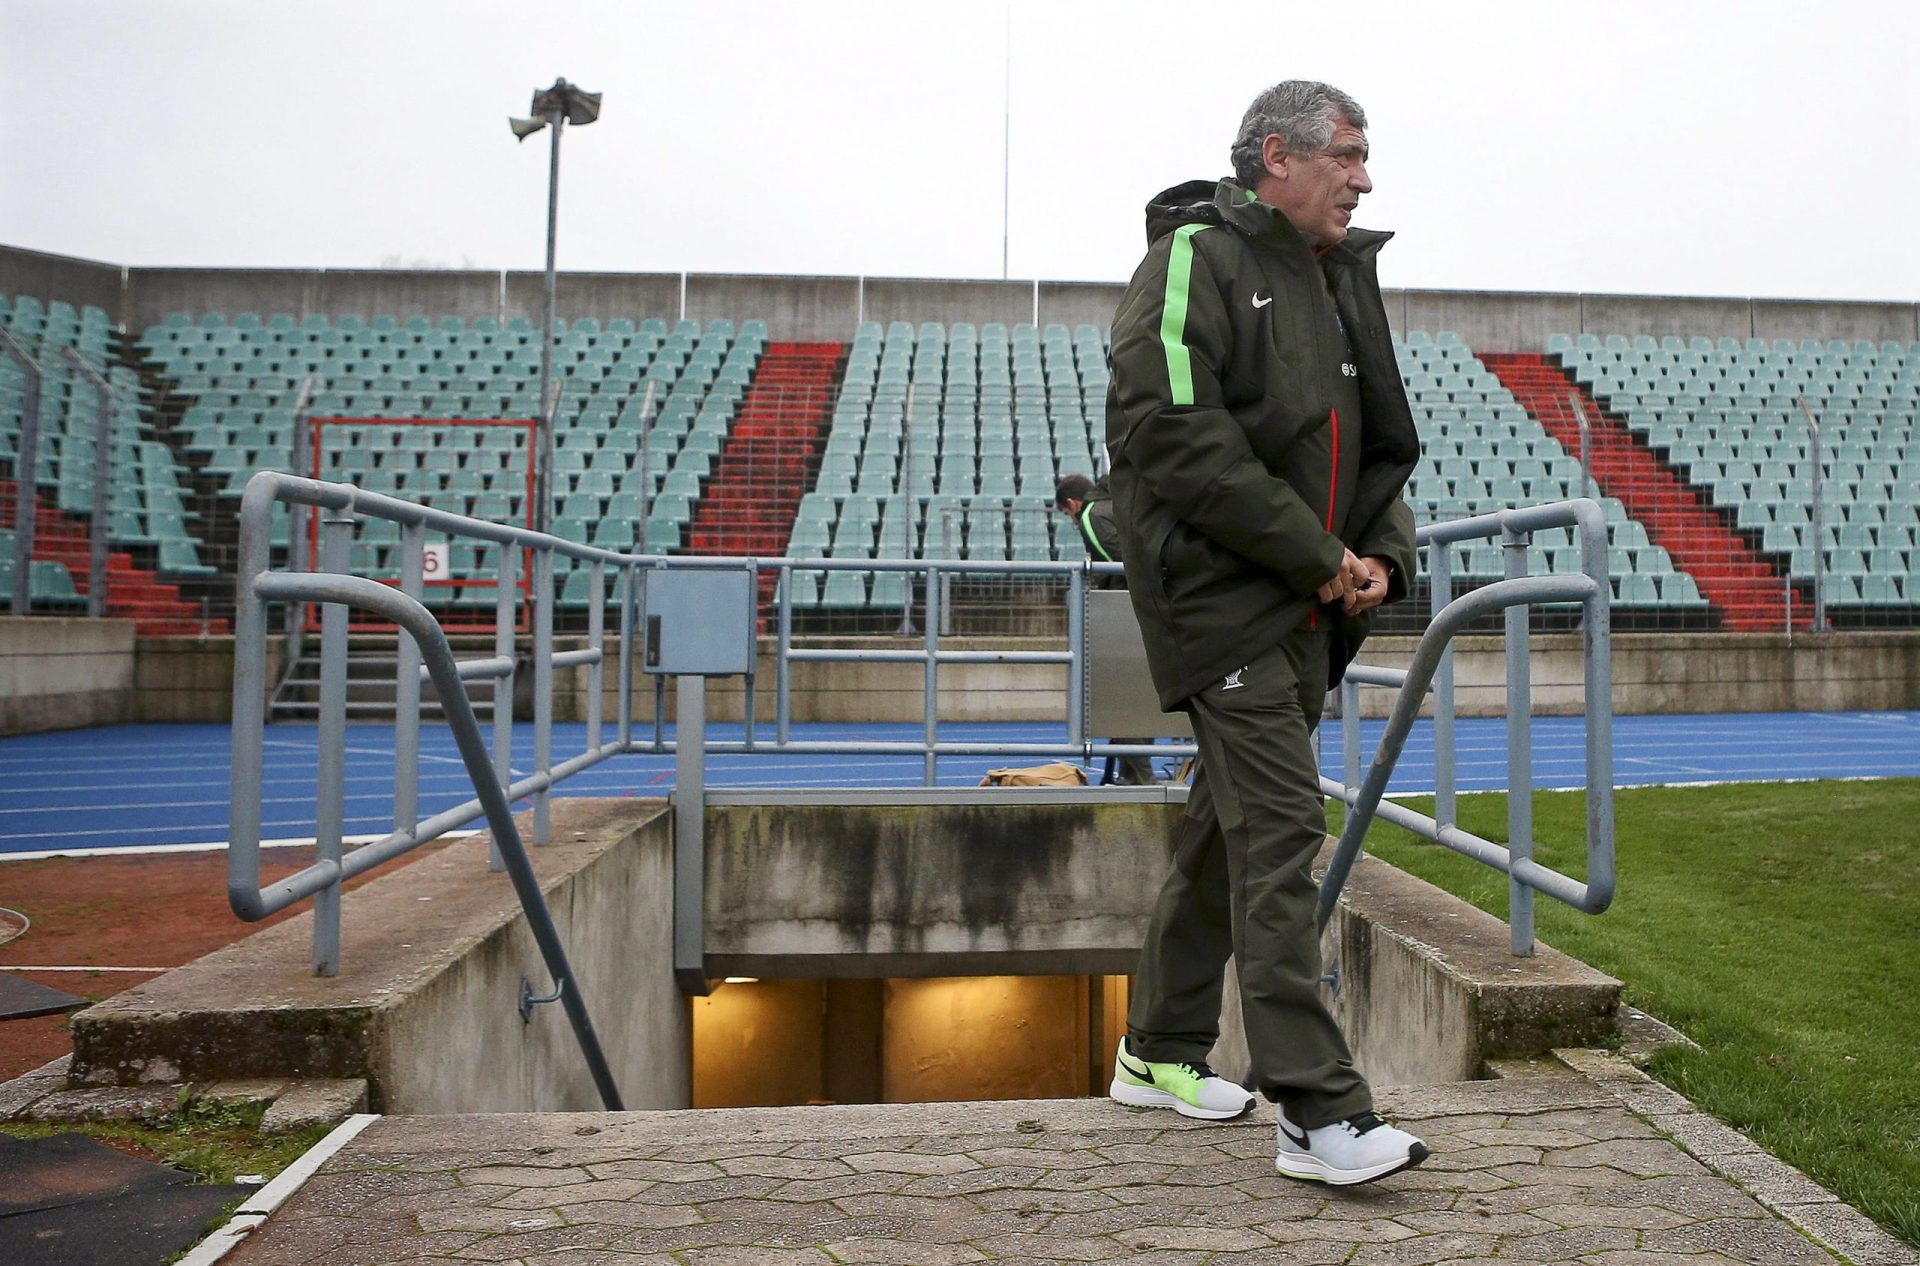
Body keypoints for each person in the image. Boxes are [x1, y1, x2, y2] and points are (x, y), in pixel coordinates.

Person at [1102, 80, 1426, 1186]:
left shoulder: (1338, 277)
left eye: (1366, 157)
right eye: (1347, 153)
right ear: (1275, 157)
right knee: (1283, 837)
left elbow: (1384, 447)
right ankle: (1319, 1111)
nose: (1364, 177)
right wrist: (1314, 554)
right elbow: (1170, 434)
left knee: (1220, 837)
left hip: (1306, 611)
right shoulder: (1197, 254)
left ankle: (1155, 1051)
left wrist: (1382, 553)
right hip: (1225, 603)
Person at [1054, 472, 1155, 786]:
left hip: (1128, 616)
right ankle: (1133, 774)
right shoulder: (1115, 504)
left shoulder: (1092, 517)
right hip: (1144, 611)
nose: (1072, 520)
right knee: (1138, 696)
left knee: (1126, 701)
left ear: (1072, 503)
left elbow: (1119, 560)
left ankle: (1140, 777)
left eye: (1068, 514)